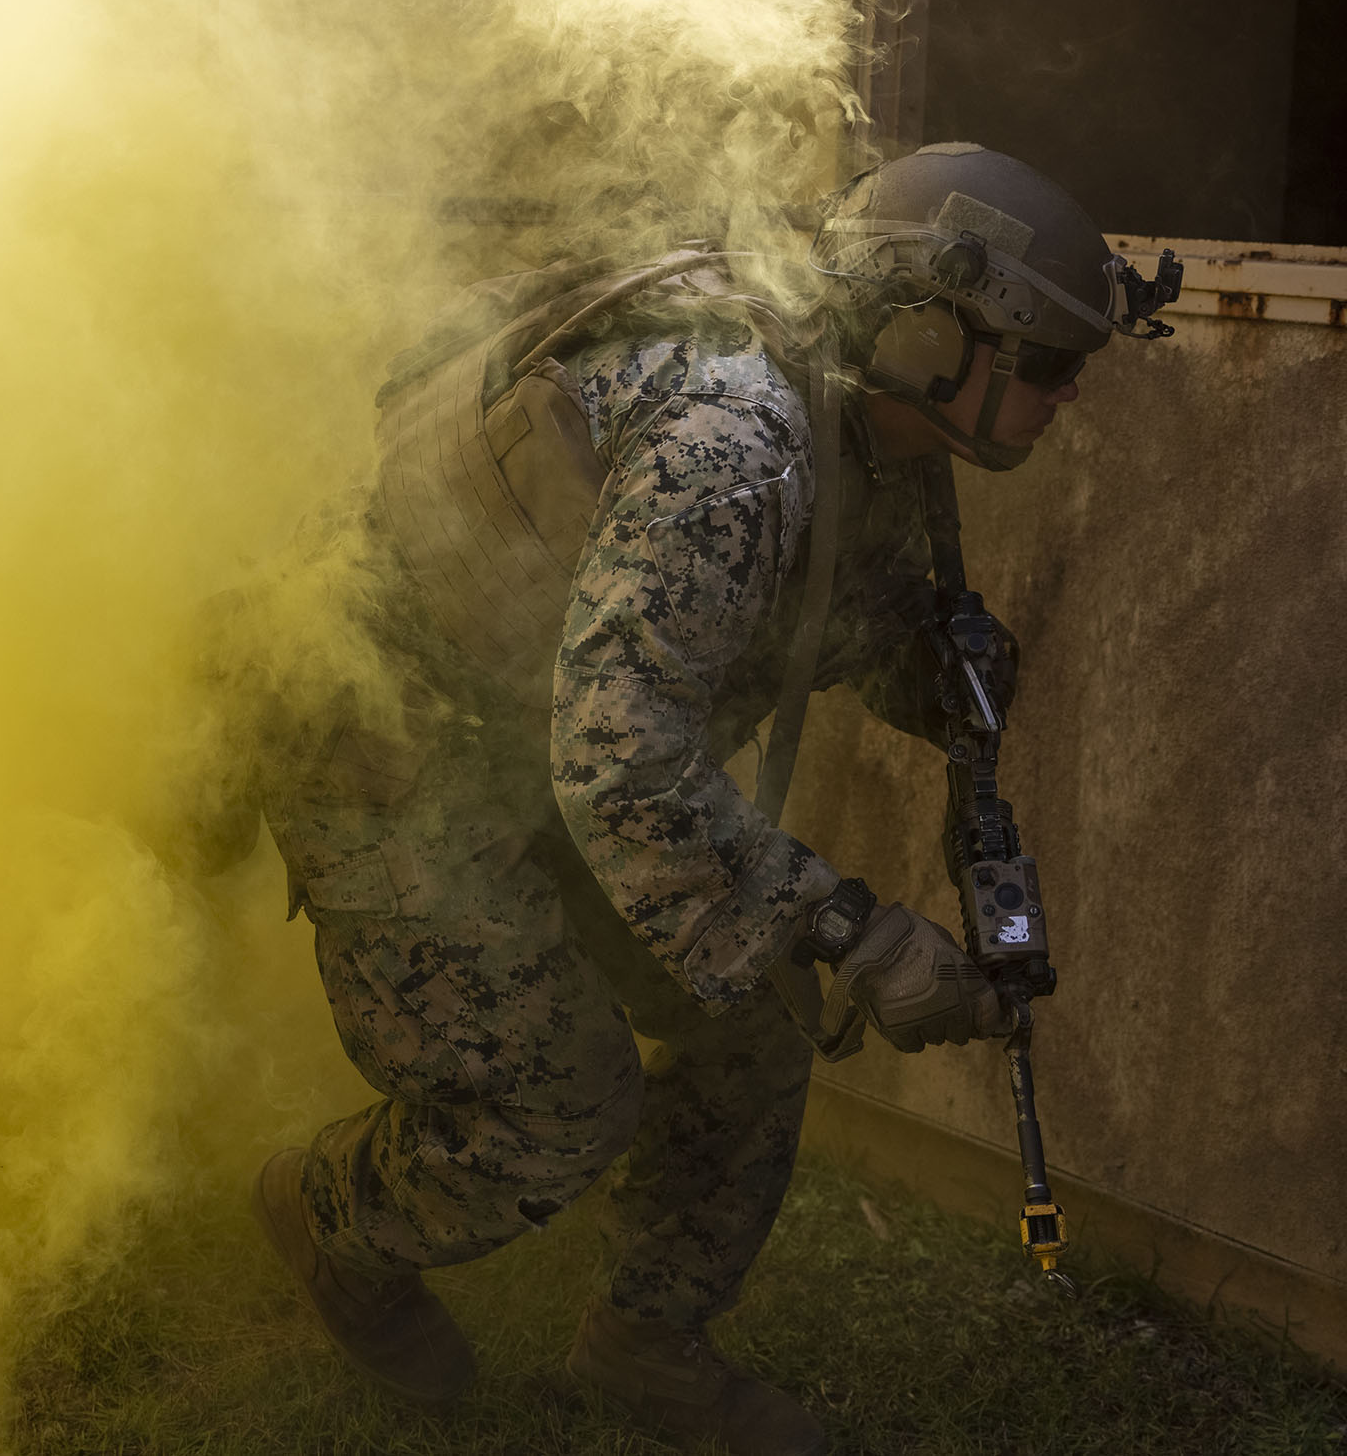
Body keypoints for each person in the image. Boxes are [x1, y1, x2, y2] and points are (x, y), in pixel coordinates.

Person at [245, 144, 1176, 1456]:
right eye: (1056, 367)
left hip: (549, 738)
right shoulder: (730, 443)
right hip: (399, 756)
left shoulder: (878, 437)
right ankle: (331, 1216)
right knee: (557, 1109)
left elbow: (819, 620)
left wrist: (946, 668)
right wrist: (857, 929)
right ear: (929, 336)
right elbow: (624, 763)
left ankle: (646, 1348)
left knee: (749, 1023)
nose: (1067, 400)